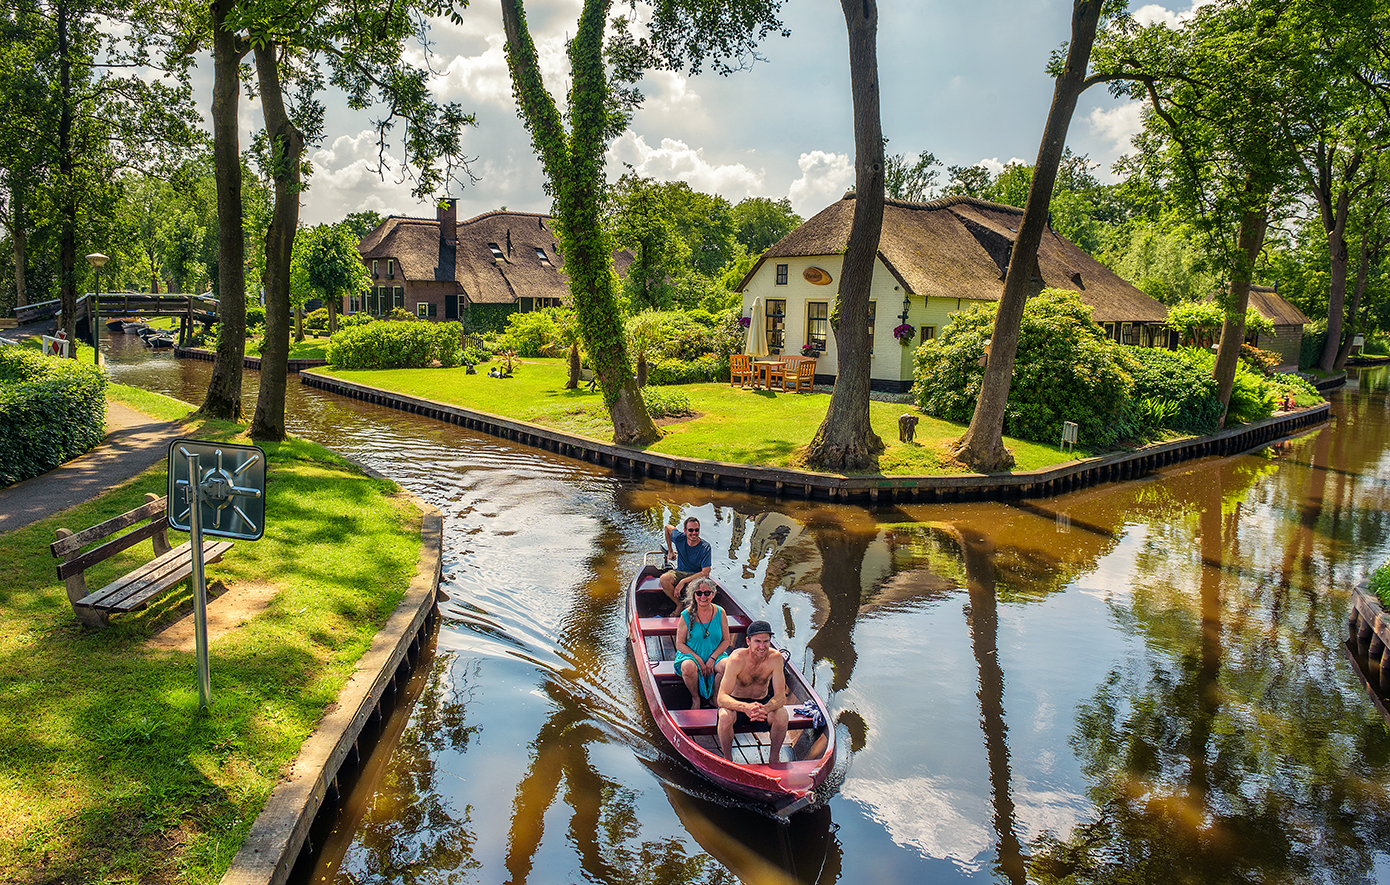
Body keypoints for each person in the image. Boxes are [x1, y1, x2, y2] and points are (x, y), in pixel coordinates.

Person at [716, 620, 789, 763]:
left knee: (782, 714)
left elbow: (781, 697)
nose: (762, 647)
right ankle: (728, 760)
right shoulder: (737, 659)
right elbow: (721, 698)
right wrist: (745, 707)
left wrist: (765, 708)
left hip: (761, 705)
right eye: (758, 642)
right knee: (724, 717)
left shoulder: (775, 658)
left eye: (766, 642)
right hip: (737, 704)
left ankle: (774, 759)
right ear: (748, 641)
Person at [673, 578, 730, 709]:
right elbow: (680, 644)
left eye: (707, 593)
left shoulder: (721, 612)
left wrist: (712, 658)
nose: (703, 596)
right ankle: (695, 698)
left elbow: (726, 640)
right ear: (694, 595)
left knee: (727, 666)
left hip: (715, 655)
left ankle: (715, 697)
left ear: (713, 594)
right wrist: (697, 659)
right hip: (691, 656)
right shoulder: (686, 615)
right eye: (698, 593)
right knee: (688, 667)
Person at [660, 516, 711, 606]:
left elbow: (705, 573)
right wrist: (670, 549)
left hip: (696, 575)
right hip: (680, 571)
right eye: (691, 530)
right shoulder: (679, 538)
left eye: (696, 530)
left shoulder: (705, 547)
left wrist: (683, 581)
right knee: (664, 579)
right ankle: (679, 605)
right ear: (685, 531)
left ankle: (690, 610)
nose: (694, 533)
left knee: (692, 588)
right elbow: (667, 527)